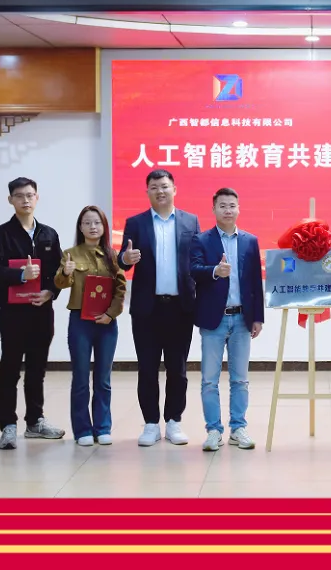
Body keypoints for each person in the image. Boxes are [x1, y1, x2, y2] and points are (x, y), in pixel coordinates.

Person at [118, 170, 201, 447]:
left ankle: (174, 421)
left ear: (174, 189)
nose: (160, 191)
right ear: (147, 192)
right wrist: (126, 258)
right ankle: (151, 424)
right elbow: (122, 261)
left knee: (178, 368)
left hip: (180, 308)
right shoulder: (136, 223)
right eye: (154, 187)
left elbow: (198, 259)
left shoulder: (190, 221)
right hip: (147, 309)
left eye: (164, 186)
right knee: (147, 368)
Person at [0, 177, 66, 450]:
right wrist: (20, 275)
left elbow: (58, 272)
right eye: (19, 196)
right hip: (12, 314)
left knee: (37, 370)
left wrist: (50, 292)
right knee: (9, 370)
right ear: (10, 200)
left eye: (30, 195)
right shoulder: (1, 235)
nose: (25, 200)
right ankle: (8, 426)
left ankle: (35, 422)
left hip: (42, 312)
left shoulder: (49, 234)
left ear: (37, 198)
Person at [189, 188, 265, 451]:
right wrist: (215, 271)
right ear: (214, 209)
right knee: (209, 380)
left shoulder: (250, 241)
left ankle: (238, 428)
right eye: (222, 205)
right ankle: (213, 431)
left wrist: (258, 317)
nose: (228, 210)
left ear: (239, 208)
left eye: (232, 205)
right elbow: (193, 270)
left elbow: (255, 282)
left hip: (242, 319)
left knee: (240, 379)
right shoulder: (202, 240)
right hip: (214, 319)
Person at [53, 206, 128, 447]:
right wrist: (66, 272)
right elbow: (60, 283)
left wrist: (110, 314)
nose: (92, 227)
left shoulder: (112, 256)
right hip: (80, 323)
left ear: (104, 226)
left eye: (97, 222)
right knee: (81, 378)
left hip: (107, 323)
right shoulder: (70, 254)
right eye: (87, 222)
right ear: (80, 227)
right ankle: (82, 429)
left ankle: (103, 427)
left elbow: (120, 289)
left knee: (103, 379)